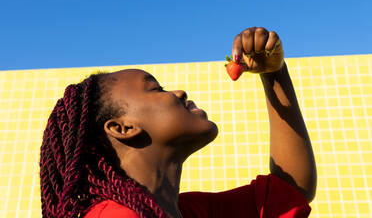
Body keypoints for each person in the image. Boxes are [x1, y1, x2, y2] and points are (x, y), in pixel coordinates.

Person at [40, 27, 317, 218]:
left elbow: (290, 190)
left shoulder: (190, 211)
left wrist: (274, 73)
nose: (179, 92)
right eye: (156, 88)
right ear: (122, 128)